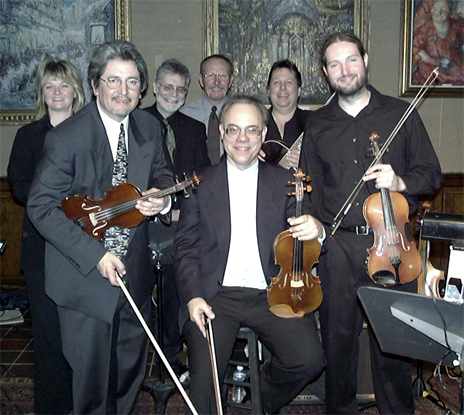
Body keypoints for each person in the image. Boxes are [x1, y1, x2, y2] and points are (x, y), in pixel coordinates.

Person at [27, 40, 174, 414]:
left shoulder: (149, 126)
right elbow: (41, 207)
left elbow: (162, 173)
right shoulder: (66, 137)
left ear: (141, 89)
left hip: (134, 277)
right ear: (95, 86)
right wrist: (96, 255)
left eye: (132, 81)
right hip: (84, 278)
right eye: (113, 80)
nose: (123, 90)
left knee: (128, 377)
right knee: (92, 387)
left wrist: (162, 199)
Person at [300, 32, 443, 415]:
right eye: (335, 64)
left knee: (393, 346)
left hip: (393, 245)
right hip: (339, 248)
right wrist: (313, 230)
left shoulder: (400, 113)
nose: (344, 70)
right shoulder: (317, 123)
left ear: (365, 59)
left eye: (351, 60)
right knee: (338, 346)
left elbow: (432, 174)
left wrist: (400, 182)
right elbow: (309, 189)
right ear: (326, 72)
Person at [173, 95, 326, 415]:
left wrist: (317, 230)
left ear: (263, 134)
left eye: (251, 130)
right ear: (222, 133)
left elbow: (305, 242)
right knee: (205, 382)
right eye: (233, 129)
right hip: (215, 296)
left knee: (309, 359)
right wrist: (193, 297)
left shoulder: (286, 182)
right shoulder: (200, 184)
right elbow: (185, 248)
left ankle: (261, 396)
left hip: (271, 293)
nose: (242, 138)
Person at [7, 56, 84, 415]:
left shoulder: (89, 132)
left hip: (83, 246)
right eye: (50, 85)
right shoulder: (28, 136)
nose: (57, 91)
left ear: (75, 91)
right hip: (41, 249)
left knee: (80, 335)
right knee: (49, 335)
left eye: (63, 84)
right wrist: (58, 198)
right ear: (42, 91)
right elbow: (19, 187)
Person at [144, 58, 210, 376]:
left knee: (173, 291)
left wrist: (184, 210)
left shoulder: (195, 129)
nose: (173, 94)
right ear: (155, 88)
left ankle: (170, 355)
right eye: (167, 87)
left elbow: (203, 176)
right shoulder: (136, 121)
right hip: (140, 223)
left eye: (180, 89)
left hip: (179, 223)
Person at [180, 54, 234, 164]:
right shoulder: (184, 115)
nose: (217, 82)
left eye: (223, 75)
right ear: (201, 80)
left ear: (231, 80)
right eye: (210, 75)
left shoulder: (242, 115)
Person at [262, 59, 309, 169]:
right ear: (268, 91)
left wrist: (308, 161)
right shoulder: (254, 124)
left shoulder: (315, 122)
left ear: (299, 90)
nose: (282, 87)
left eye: (289, 82)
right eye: (276, 82)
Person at [412, 0, 464, 85]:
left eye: (443, 9)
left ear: (450, 12)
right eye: (435, 9)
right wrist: (433, 61)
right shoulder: (425, 29)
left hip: (454, 65)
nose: (439, 13)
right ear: (431, 10)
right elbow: (417, 48)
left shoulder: (457, 26)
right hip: (430, 67)